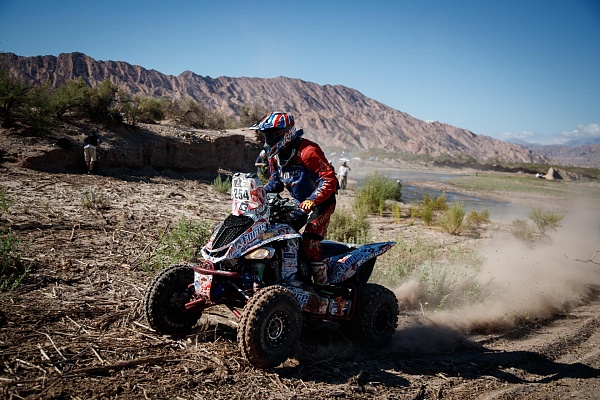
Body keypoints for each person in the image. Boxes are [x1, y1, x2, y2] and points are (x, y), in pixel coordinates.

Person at [252, 111, 338, 285]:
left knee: (310, 241)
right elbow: (275, 183)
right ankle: (285, 274)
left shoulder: (307, 151)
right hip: (300, 203)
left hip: (321, 202)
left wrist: (313, 199)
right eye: (267, 134)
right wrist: (257, 193)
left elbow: (329, 179)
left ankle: (323, 285)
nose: (269, 138)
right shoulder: (275, 156)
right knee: (275, 233)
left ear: (286, 132)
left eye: (273, 134)